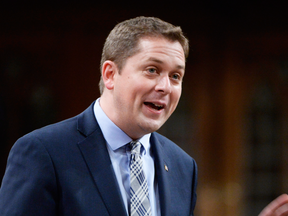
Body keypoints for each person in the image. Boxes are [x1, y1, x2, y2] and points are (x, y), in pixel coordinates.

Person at [0, 16, 287, 216]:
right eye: (152, 70)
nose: (165, 86)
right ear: (110, 74)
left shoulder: (182, 166)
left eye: (176, 76)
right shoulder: (43, 152)